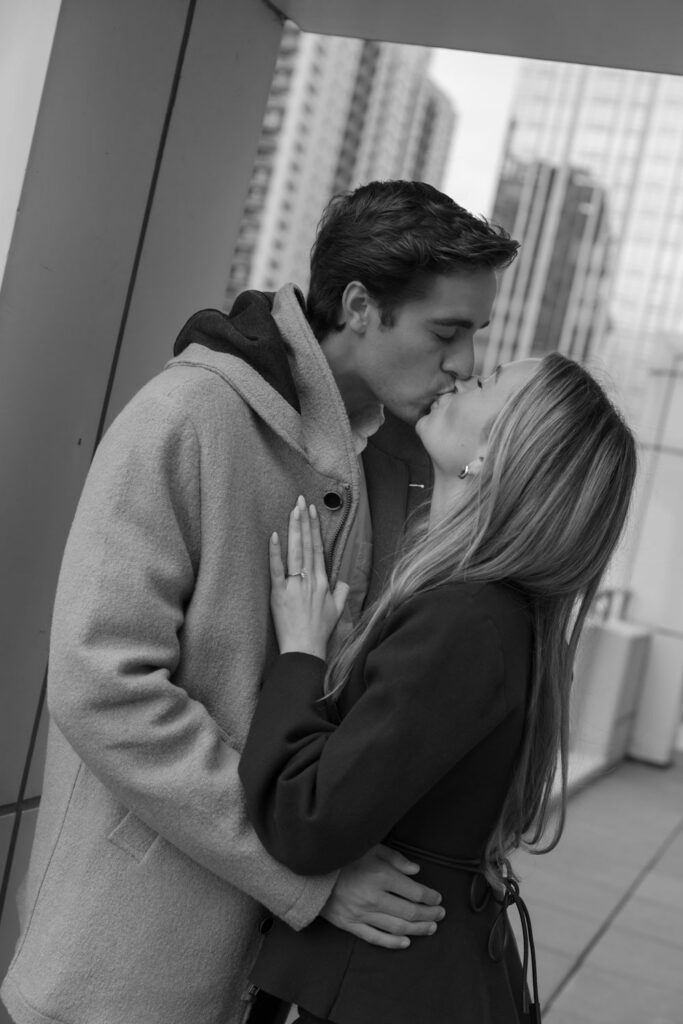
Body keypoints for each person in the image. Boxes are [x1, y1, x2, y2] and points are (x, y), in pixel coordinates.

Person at [1, 181, 520, 1024]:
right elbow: (102, 688)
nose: (463, 363)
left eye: (475, 336)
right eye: (446, 332)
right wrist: (300, 873)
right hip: (123, 969)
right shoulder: (187, 417)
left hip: (266, 973)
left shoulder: (394, 460)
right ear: (358, 305)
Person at [238, 352, 637, 1024]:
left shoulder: (464, 621)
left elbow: (305, 819)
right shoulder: (495, 614)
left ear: (495, 454)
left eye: (491, 383)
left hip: (387, 987)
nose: (466, 374)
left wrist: (302, 653)